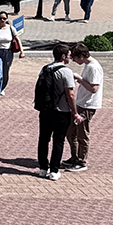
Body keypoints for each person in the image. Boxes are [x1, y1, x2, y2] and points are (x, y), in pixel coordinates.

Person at [36, 44, 81, 181]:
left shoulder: (45, 69)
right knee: (58, 140)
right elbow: (70, 94)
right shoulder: (66, 72)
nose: (69, 58)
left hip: (45, 110)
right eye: (68, 55)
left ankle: (43, 168)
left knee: (43, 139)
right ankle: (54, 170)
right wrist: (75, 112)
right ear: (63, 56)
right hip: (61, 111)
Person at [63, 43, 102, 172]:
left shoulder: (93, 67)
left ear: (81, 56)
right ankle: (74, 158)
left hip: (87, 105)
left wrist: (79, 79)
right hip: (81, 103)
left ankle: (81, 161)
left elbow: (94, 88)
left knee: (82, 134)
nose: (73, 60)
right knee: (71, 132)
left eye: (74, 58)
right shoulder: (88, 65)